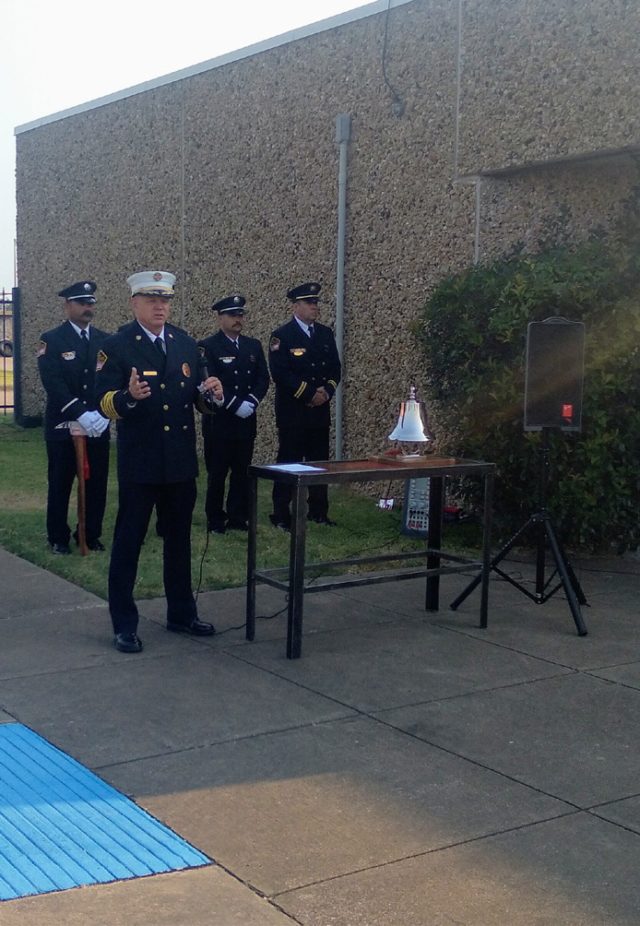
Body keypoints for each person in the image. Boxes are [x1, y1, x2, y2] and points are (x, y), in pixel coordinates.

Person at [95, 270, 223, 653]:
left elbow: (196, 400)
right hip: (141, 463)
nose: (160, 307)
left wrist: (210, 395)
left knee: (179, 542)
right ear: (134, 303)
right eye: (151, 300)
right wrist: (128, 396)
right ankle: (124, 624)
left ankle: (181, 613)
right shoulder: (116, 346)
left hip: (180, 462)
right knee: (128, 543)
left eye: (165, 300)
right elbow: (102, 401)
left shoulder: (185, 344)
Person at [37, 281, 111, 554]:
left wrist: (103, 414)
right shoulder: (52, 339)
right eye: (81, 303)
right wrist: (80, 413)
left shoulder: (105, 340)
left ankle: (90, 534)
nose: (87, 308)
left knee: (96, 483)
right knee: (60, 482)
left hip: (96, 426)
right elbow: (53, 382)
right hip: (63, 426)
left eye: (91, 303)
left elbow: (110, 379)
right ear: (67, 305)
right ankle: (58, 537)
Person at [268, 281, 341, 530]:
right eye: (309, 303)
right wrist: (309, 394)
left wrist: (326, 392)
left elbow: (335, 368)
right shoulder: (282, 336)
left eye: (316, 303)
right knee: (289, 462)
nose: (314, 307)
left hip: (319, 412)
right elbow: (280, 373)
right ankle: (280, 514)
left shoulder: (324, 334)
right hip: (294, 412)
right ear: (295, 306)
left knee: (319, 463)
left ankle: (318, 511)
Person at [198, 295, 270, 533]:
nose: (238, 319)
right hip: (219, 421)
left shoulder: (253, 345)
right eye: (232, 315)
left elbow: (262, 378)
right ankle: (215, 520)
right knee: (217, 474)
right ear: (220, 319)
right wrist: (232, 404)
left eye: (240, 315)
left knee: (242, 472)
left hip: (245, 420)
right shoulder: (208, 346)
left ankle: (238, 517)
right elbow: (207, 381)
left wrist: (251, 401)